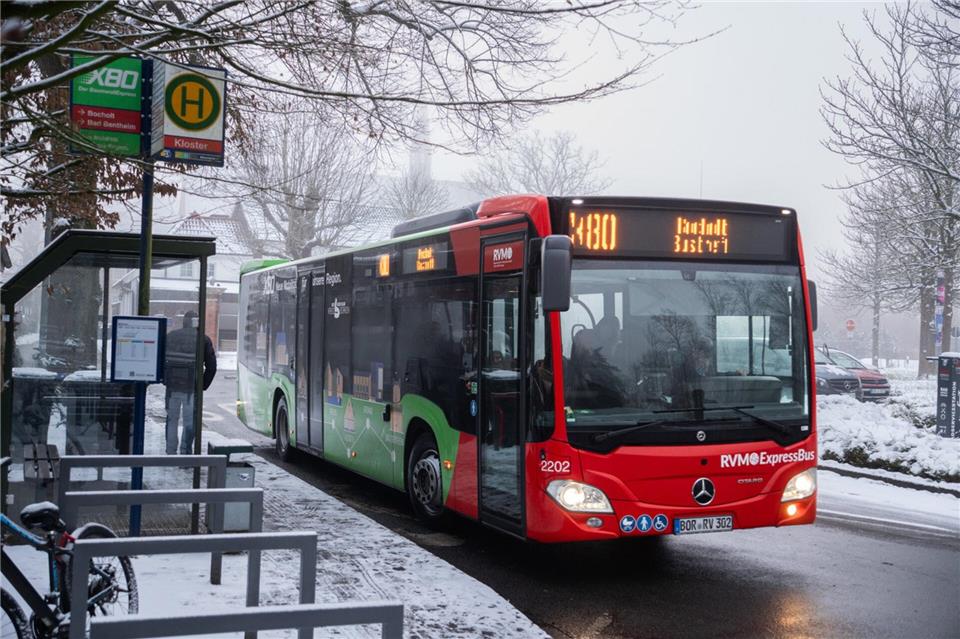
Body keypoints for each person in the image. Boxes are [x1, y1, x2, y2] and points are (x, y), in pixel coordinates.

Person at [164, 311, 217, 455]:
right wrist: (202, 385)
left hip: (172, 388)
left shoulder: (171, 336)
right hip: (191, 389)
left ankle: (170, 451)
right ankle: (185, 452)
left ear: (184, 322)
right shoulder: (203, 340)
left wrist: (166, 379)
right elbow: (212, 367)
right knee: (189, 421)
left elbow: (162, 360)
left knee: (172, 419)